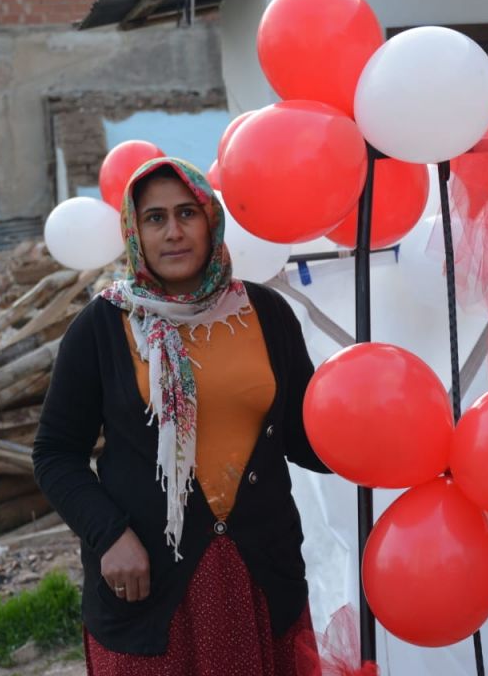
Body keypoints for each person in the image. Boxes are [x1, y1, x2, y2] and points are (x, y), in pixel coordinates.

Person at [33, 157, 329, 675]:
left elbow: (306, 439)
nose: (173, 232)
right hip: (151, 586)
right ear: (135, 230)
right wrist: (108, 535)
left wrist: (372, 438)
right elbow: (56, 453)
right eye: (155, 218)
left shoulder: (265, 313)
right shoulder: (103, 326)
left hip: (262, 573)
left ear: (210, 219)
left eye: (187, 213)